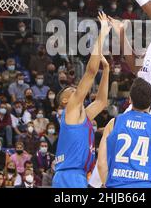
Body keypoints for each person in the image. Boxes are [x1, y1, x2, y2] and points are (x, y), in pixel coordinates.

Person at [53, 12, 111, 188]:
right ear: (64, 101)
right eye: (71, 90)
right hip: (69, 176)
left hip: (77, 176)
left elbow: (101, 102)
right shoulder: (70, 109)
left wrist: (107, 69)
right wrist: (103, 33)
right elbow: (90, 72)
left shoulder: (82, 116)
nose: (75, 90)